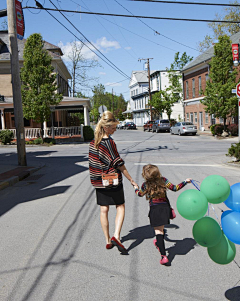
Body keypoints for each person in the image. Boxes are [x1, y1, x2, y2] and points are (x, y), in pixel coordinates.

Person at [89, 111, 137, 253]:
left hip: (100, 181)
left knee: (104, 209)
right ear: (106, 127)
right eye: (113, 128)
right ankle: (116, 235)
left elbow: (92, 164)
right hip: (113, 180)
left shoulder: (93, 143)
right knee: (120, 206)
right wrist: (131, 180)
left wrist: (97, 177)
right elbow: (118, 163)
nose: (115, 130)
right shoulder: (109, 142)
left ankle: (108, 240)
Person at [134, 164, 191, 265]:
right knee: (161, 229)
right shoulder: (163, 180)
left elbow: (140, 194)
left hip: (154, 209)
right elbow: (174, 188)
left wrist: (136, 188)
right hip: (165, 209)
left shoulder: (145, 185)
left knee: (158, 232)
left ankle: (164, 256)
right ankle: (158, 242)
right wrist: (185, 181)